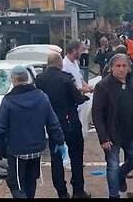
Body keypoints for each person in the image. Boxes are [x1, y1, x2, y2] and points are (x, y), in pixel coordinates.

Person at [0, 65, 67, 199]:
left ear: (13, 79)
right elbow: (53, 123)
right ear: (27, 78)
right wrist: (61, 143)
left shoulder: (8, 100)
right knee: (31, 182)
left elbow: (0, 128)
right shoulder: (42, 96)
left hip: (17, 150)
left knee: (16, 184)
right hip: (37, 149)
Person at [35, 53, 92, 199]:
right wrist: (83, 96)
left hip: (52, 123)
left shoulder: (40, 79)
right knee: (76, 155)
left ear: (48, 64)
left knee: (56, 158)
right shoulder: (66, 78)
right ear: (60, 64)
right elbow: (78, 99)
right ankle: (78, 190)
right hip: (70, 121)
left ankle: (61, 191)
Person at [91, 53, 133, 198]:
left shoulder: (132, 81)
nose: (121, 69)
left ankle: (121, 175)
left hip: (132, 132)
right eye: (118, 66)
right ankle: (114, 194)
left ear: (128, 68)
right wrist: (103, 138)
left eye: (124, 66)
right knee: (112, 166)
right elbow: (97, 113)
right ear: (111, 68)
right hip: (112, 134)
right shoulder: (102, 86)